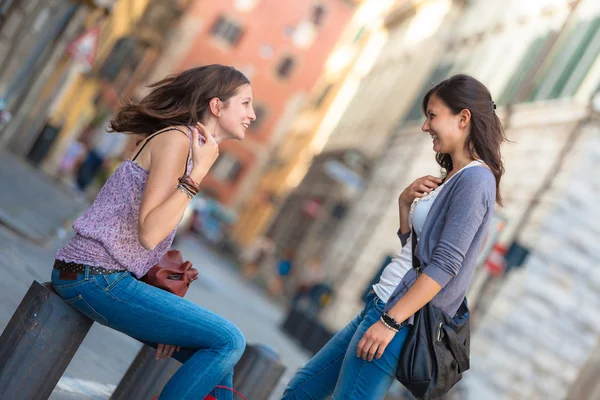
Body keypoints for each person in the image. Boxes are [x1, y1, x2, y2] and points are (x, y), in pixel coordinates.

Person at [282, 74, 507, 399]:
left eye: (432, 116)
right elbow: (416, 256)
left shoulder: (475, 181)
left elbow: (444, 266)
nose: (425, 126)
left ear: (463, 118)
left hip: (399, 318)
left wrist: (390, 322)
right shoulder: (453, 178)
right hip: (382, 302)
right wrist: (405, 204)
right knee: (301, 390)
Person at [50, 65, 256, 400]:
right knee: (229, 340)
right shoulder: (177, 141)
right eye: (245, 103)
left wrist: (165, 316)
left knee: (219, 357)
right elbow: (149, 232)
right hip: (93, 276)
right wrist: (198, 175)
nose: (253, 114)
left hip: (104, 277)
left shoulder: (187, 143)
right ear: (217, 106)